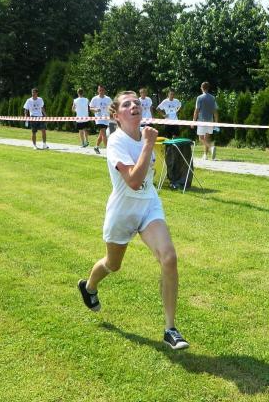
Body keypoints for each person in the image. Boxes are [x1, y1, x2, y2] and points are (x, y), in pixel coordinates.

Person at [77, 90, 189, 350]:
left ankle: (170, 329)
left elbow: (146, 184)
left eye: (136, 103)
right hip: (122, 211)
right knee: (112, 264)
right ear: (116, 115)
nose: (134, 106)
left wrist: (148, 141)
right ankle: (89, 286)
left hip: (148, 205)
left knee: (169, 258)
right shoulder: (116, 142)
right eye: (127, 104)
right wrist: (149, 144)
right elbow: (134, 181)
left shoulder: (145, 134)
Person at [192, 81, 219, 160]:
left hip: (202, 121)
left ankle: (211, 147)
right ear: (208, 88)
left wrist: (193, 121)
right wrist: (216, 122)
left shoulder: (199, 98)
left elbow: (196, 110)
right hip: (210, 121)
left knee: (201, 138)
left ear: (202, 88)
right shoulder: (213, 98)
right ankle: (205, 155)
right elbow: (215, 111)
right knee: (207, 139)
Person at [90, 85, 112, 154]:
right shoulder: (95, 99)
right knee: (104, 134)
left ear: (104, 91)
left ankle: (96, 147)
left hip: (106, 119)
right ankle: (108, 150)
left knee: (101, 133)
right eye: (100, 90)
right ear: (98, 90)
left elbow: (112, 107)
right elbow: (90, 108)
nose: (101, 91)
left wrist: (110, 110)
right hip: (99, 119)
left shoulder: (108, 99)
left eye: (102, 90)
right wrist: (95, 109)